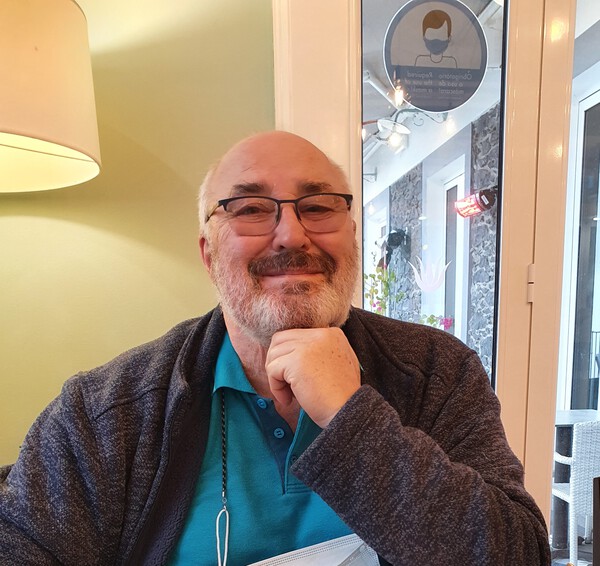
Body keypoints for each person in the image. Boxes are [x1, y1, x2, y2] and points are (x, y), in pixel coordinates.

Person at [0, 131, 550, 565]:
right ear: (208, 254)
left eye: (319, 206)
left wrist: (352, 419)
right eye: (251, 209)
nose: (291, 234)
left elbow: (520, 554)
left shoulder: (436, 372)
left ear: (352, 235)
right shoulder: (105, 415)